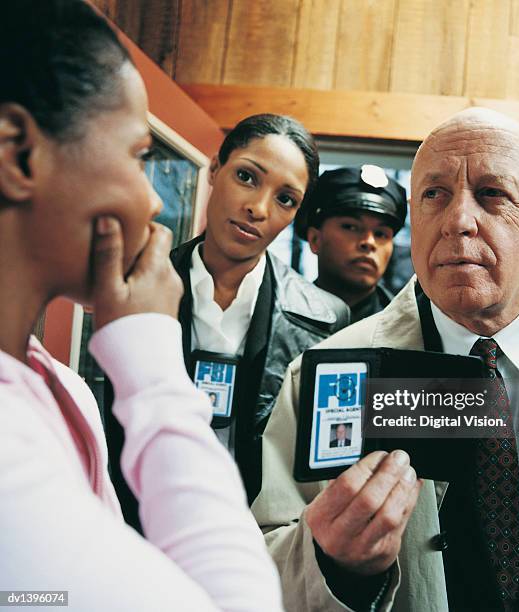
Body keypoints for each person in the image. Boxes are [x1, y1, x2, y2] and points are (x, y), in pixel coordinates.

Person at [252, 108, 519, 611]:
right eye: (434, 195)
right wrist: (334, 564)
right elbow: (261, 565)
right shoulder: (329, 374)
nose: (459, 221)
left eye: (492, 194)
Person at [0, 2, 283, 610]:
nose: (153, 201)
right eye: (136, 156)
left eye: (288, 198)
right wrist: (150, 360)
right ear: (19, 153)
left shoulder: (62, 388)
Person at [169, 114, 351, 504]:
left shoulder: (325, 319)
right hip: (139, 526)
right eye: (247, 177)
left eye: (286, 199)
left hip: (256, 535)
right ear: (215, 169)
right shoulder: (138, 285)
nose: (258, 208)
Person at [295, 165, 407, 322]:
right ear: (315, 240)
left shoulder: (410, 328)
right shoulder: (277, 316)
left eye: (380, 234)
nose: (368, 242)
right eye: (351, 227)